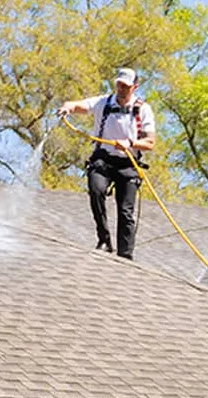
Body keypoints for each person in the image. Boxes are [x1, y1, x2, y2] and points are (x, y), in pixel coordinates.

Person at [58, 68, 156, 259]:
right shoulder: (103, 103)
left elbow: (150, 143)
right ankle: (104, 240)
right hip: (103, 159)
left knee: (126, 210)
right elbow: (77, 105)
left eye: (126, 86)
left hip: (128, 163)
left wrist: (130, 143)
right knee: (96, 190)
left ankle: (125, 254)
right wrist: (67, 108)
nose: (121, 89)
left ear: (135, 87)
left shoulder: (143, 109)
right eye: (119, 85)